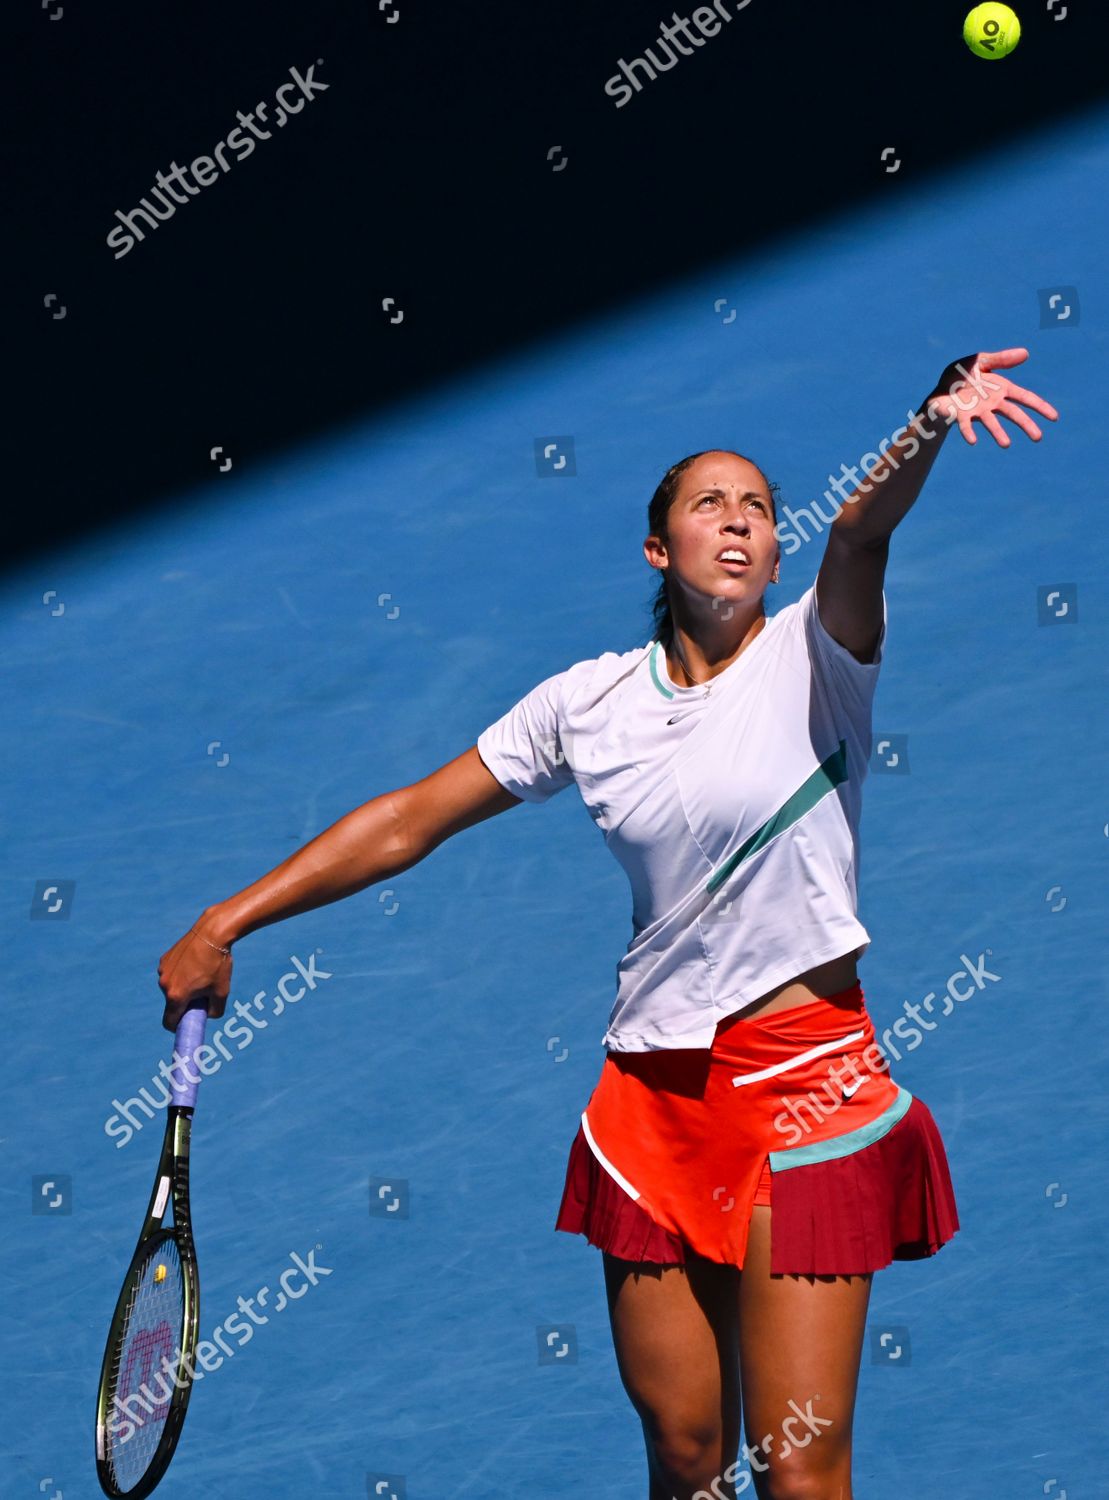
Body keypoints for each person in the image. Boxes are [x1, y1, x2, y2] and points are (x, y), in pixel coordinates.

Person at [158, 348, 1057, 1500]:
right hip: (649, 1106)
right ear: (657, 548)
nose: (738, 524)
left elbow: (862, 535)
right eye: (707, 505)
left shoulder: (817, 655)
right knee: (685, 1458)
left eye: (758, 511)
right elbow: (408, 821)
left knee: (798, 1467)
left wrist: (925, 421)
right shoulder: (584, 704)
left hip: (808, 1089)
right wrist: (226, 919)